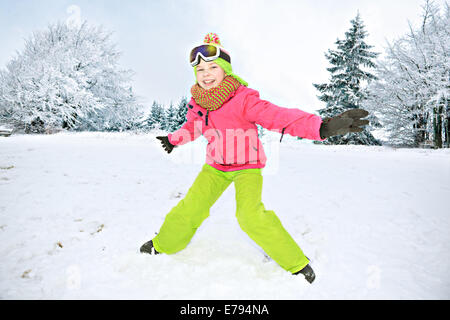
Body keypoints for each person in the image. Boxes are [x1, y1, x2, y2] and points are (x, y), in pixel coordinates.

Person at [140, 33, 369, 284]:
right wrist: (174, 140)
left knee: (250, 216)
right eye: (200, 69)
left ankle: (295, 262)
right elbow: (193, 127)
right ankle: (163, 244)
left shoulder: (243, 99)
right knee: (190, 207)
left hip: (247, 166)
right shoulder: (198, 103)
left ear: (225, 70)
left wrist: (320, 127)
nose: (206, 73)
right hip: (215, 167)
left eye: (213, 67)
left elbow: (277, 116)